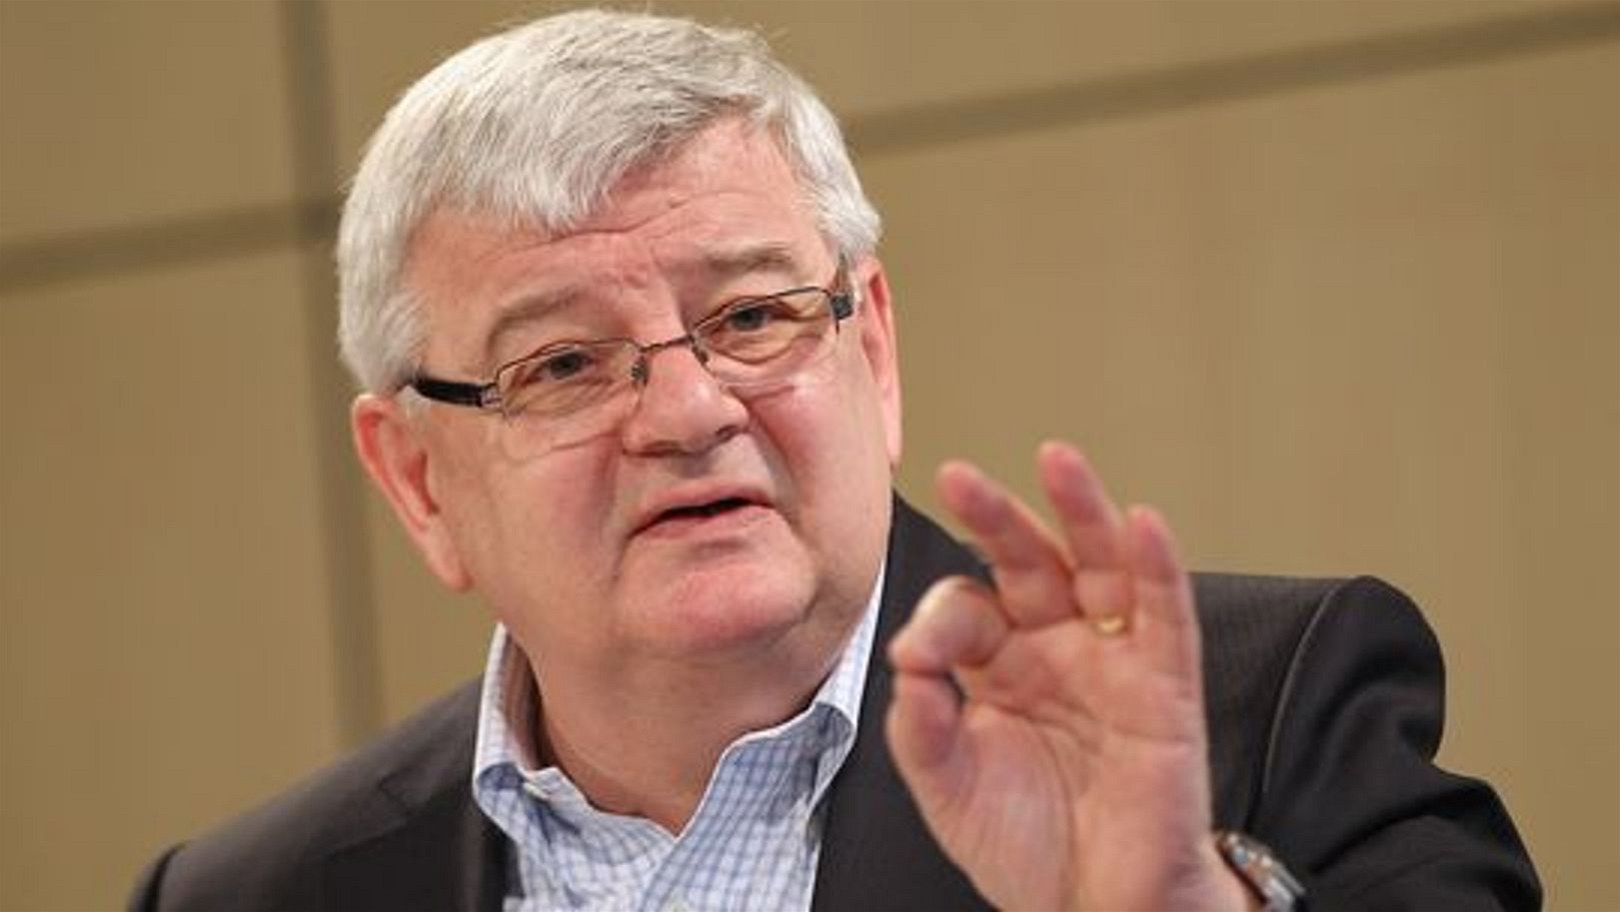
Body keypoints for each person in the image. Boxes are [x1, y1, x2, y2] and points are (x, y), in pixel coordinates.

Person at [130, 9, 1538, 911]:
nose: (688, 412)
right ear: (419, 481)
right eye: (562, 364)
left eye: (751, 318)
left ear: (875, 350)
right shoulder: (246, 896)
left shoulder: (1260, 719)